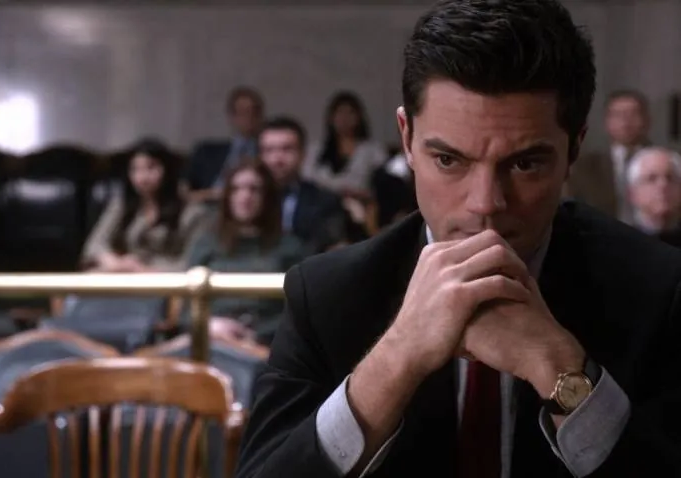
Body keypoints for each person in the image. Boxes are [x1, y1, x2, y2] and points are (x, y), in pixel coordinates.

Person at [236, 1, 681, 478]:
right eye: (449, 160)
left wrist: (561, 369)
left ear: (573, 147)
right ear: (406, 138)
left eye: (525, 164)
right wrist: (396, 358)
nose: (485, 204)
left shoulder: (658, 289)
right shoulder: (326, 295)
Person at [186, 160, 307, 346]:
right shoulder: (206, 243)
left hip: (261, 343)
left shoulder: (290, 247)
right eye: (236, 189)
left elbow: (299, 311)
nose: (245, 196)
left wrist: (252, 334)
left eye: (254, 189)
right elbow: (185, 308)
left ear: (267, 196)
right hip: (208, 338)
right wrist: (209, 324)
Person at [82, 139, 208, 272]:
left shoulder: (193, 212)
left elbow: (192, 262)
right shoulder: (122, 205)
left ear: (167, 169)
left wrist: (143, 269)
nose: (142, 177)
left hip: (164, 278)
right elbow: (95, 244)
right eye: (135, 169)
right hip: (124, 274)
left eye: (151, 167)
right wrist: (114, 261)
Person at [259, 116, 357, 252]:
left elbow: (334, 248)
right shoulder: (244, 197)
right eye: (269, 150)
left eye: (286, 149)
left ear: (302, 154)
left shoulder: (326, 201)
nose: (277, 159)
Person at [566, 90, 652, 222]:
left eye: (633, 114)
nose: (626, 121)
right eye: (618, 115)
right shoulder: (585, 166)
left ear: (646, 119)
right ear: (606, 121)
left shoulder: (666, 162)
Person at [302, 91, 387, 198]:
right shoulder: (316, 150)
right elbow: (306, 179)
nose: (344, 119)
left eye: (350, 113)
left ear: (359, 118)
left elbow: (381, 188)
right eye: (340, 113)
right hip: (320, 202)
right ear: (331, 118)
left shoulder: (373, 151)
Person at [187, 86, 265, 199]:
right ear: (231, 116)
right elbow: (186, 190)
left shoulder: (267, 153)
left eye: (253, 112)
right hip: (209, 202)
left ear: (260, 116)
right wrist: (211, 194)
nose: (247, 118)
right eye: (241, 112)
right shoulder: (206, 151)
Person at [626, 147, 681, 246]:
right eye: (651, 178)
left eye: (670, 177)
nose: (663, 185)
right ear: (633, 193)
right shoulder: (620, 244)